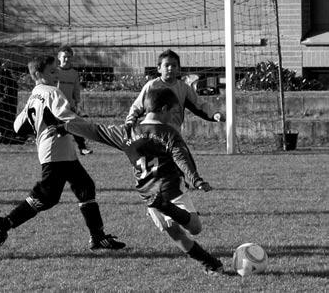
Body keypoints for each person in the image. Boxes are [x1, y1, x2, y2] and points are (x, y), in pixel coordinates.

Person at [55, 87, 224, 275]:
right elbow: (182, 158)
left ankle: (210, 263)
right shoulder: (168, 133)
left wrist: (67, 126)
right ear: (164, 109)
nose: (173, 117)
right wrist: (196, 179)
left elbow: (95, 130)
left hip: (148, 193)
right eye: (174, 112)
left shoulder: (127, 132)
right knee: (195, 227)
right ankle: (168, 208)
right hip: (170, 190)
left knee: (175, 233)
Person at [0, 55, 125, 254]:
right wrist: (83, 128)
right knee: (46, 196)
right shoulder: (53, 92)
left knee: (84, 186)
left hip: (58, 150)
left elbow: (18, 126)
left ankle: (98, 236)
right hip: (56, 152)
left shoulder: (35, 93)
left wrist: (44, 128)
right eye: (52, 71)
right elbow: (69, 118)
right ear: (38, 74)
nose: (57, 74)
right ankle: (4, 223)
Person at [125, 49, 225, 133]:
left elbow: (199, 105)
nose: (170, 68)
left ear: (178, 69)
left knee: (178, 156)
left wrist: (214, 114)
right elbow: (137, 107)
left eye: (174, 66)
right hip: (152, 132)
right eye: (167, 65)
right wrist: (129, 123)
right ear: (159, 68)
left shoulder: (183, 88)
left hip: (173, 133)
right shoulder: (151, 86)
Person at [56, 45, 93, 155]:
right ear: (59, 57)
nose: (66, 59)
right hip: (56, 106)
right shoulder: (55, 72)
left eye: (69, 57)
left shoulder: (74, 73)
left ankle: (82, 148)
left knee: (75, 124)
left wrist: (77, 104)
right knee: (61, 129)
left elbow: (76, 91)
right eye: (64, 57)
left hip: (69, 106)